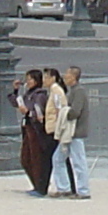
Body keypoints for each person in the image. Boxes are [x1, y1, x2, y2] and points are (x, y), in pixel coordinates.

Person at [45, 69, 82, 197]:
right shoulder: (67, 91)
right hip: (65, 130)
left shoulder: (58, 91)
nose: (65, 76)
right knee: (59, 159)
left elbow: (63, 109)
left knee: (75, 161)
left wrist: (61, 122)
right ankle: (64, 188)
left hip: (67, 131)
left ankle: (77, 189)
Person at [18, 69, 53, 195]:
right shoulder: (28, 94)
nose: (27, 82)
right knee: (26, 158)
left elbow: (39, 113)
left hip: (36, 129)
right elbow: (16, 102)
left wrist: (28, 112)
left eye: (30, 79)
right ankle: (36, 184)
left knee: (36, 158)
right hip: (27, 127)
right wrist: (15, 91)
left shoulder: (40, 95)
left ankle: (40, 186)